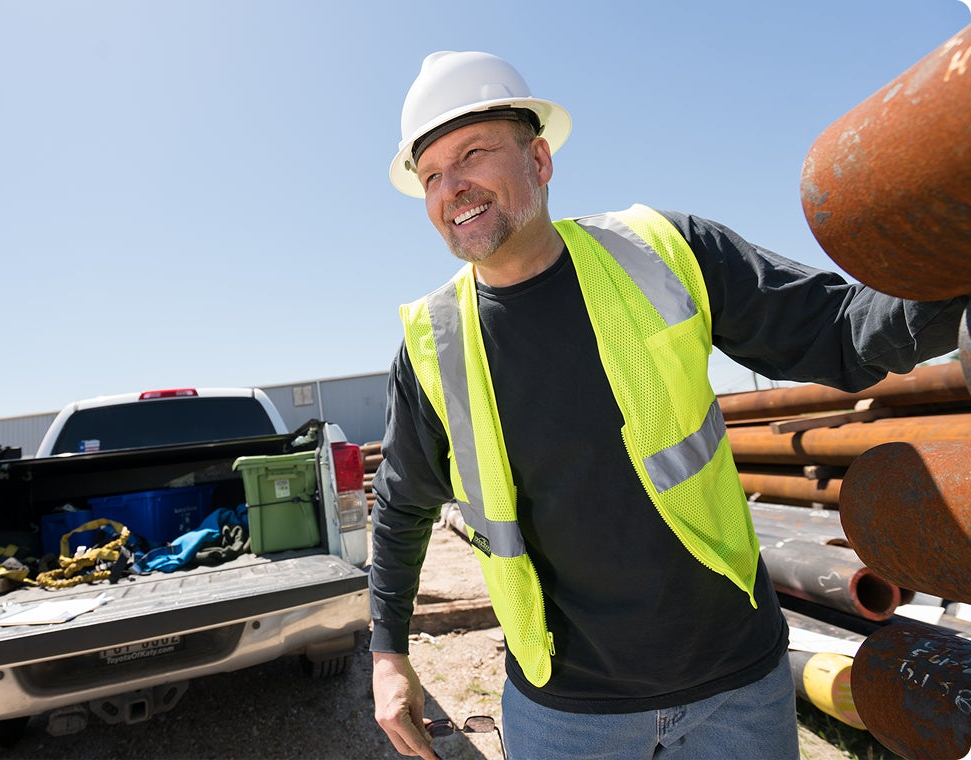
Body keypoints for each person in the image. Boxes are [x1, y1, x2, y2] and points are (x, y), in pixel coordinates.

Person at [368, 50, 969, 760]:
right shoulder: (433, 345)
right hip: (566, 713)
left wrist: (951, 291)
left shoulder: (660, 251)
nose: (452, 187)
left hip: (735, 689)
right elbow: (403, 503)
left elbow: (839, 333)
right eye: (432, 174)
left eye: (472, 152)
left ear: (539, 159)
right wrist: (388, 654)